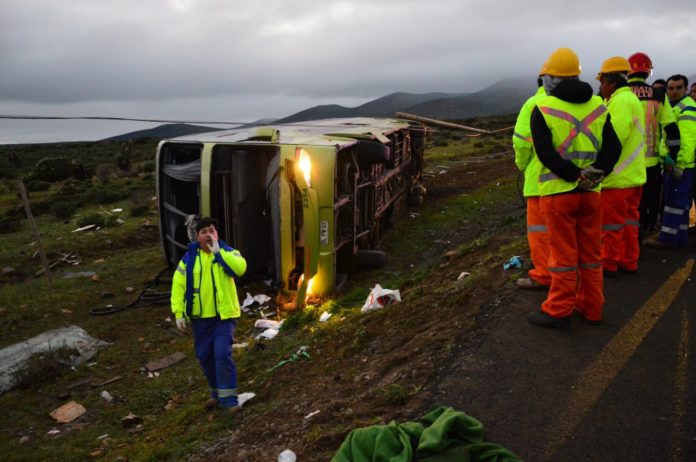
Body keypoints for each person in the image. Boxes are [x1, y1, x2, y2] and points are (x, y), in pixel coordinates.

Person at [527, 47, 621, 330]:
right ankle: (592, 308)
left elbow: (545, 153)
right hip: (591, 194)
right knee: (591, 254)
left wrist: (574, 175)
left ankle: (558, 310)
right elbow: (613, 148)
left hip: (559, 195)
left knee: (563, 256)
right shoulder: (599, 106)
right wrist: (595, 174)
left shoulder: (542, 108)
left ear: (551, 79)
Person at [171, 217, 247, 413]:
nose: (208, 235)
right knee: (205, 356)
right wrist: (179, 312)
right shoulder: (189, 258)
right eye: (203, 231)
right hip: (200, 318)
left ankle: (229, 401)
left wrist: (219, 254)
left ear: (217, 234)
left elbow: (240, 269)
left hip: (224, 316)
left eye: (211, 231)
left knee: (222, 354)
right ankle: (216, 393)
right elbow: (178, 286)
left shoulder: (227, 251)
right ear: (197, 237)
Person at [596, 56, 647, 276]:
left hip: (617, 178)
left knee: (611, 226)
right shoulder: (631, 100)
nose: (600, 87)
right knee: (629, 223)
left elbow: (612, 139)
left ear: (612, 81)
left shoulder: (620, 102)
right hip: (633, 176)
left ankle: (609, 263)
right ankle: (628, 261)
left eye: (602, 82)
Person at [626, 52, 679, 237]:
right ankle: (648, 227)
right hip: (651, 163)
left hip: (625, 164)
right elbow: (671, 129)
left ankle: (632, 234)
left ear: (628, 72)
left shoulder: (619, 94)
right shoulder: (658, 95)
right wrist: (672, 155)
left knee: (629, 205)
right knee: (651, 199)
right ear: (648, 72)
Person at [644, 75, 696, 248]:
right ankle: (679, 236)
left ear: (685, 88)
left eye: (678, 88)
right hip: (677, 163)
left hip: (680, 164)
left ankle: (667, 237)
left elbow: (688, 140)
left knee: (674, 201)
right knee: (679, 203)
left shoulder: (687, 108)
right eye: (671, 88)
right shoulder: (675, 106)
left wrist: (678, 164)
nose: (673, 92)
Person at [513, 66, 551, 290]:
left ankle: (544, 275)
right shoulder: (589, 103)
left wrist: (523, 166)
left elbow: (521, 141)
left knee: (540, 232)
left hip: (539, 181)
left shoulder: (532, 104)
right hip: (576, 182)